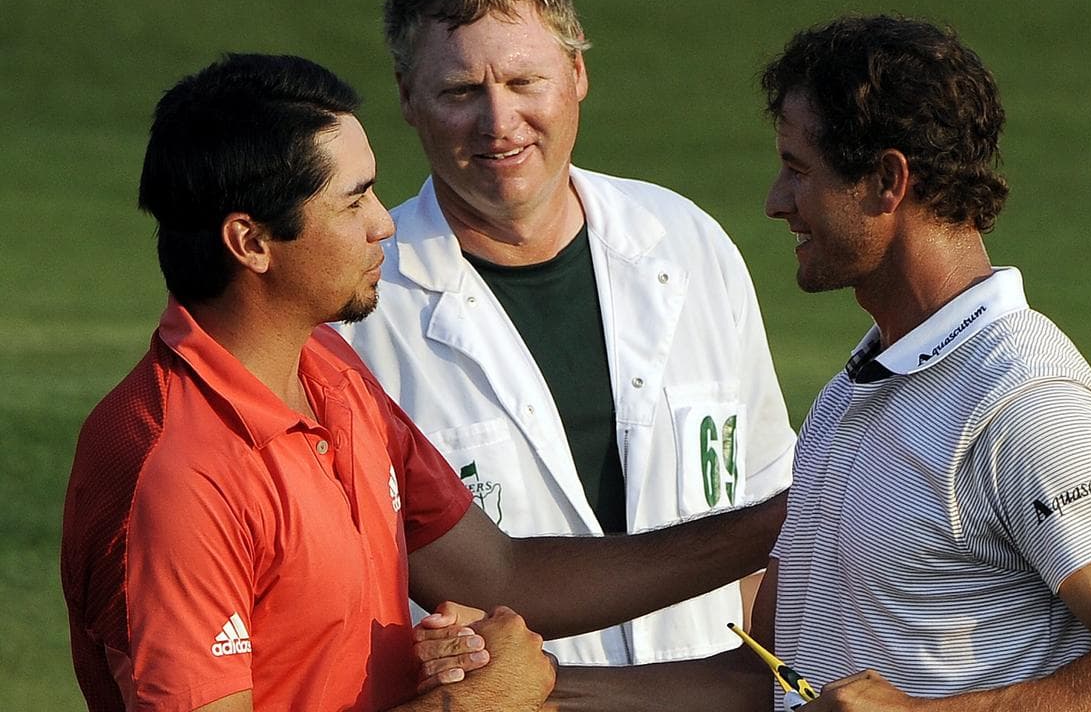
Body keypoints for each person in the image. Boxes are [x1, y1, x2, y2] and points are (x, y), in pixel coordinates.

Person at [423, 14, 1091, 711]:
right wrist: (537, 688)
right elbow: (769, 682)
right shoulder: (861, 389)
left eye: (799, 171)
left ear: (885, 182)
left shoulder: (1025, 400)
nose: (776, 201)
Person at [60, 52, 784, 712]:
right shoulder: (180, 474)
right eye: (354, 201)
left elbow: (498, 577)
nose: (385, 224)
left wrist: (795, 517)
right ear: (251, 243)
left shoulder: (329, 369)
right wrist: (463, 707)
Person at [340, 0, 796, 668]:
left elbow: (768, 525)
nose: (500, 123)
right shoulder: (358, 317)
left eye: (525, 82)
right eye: (462, 90)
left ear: (577, 71)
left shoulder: (689, 244)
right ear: (407, 97)